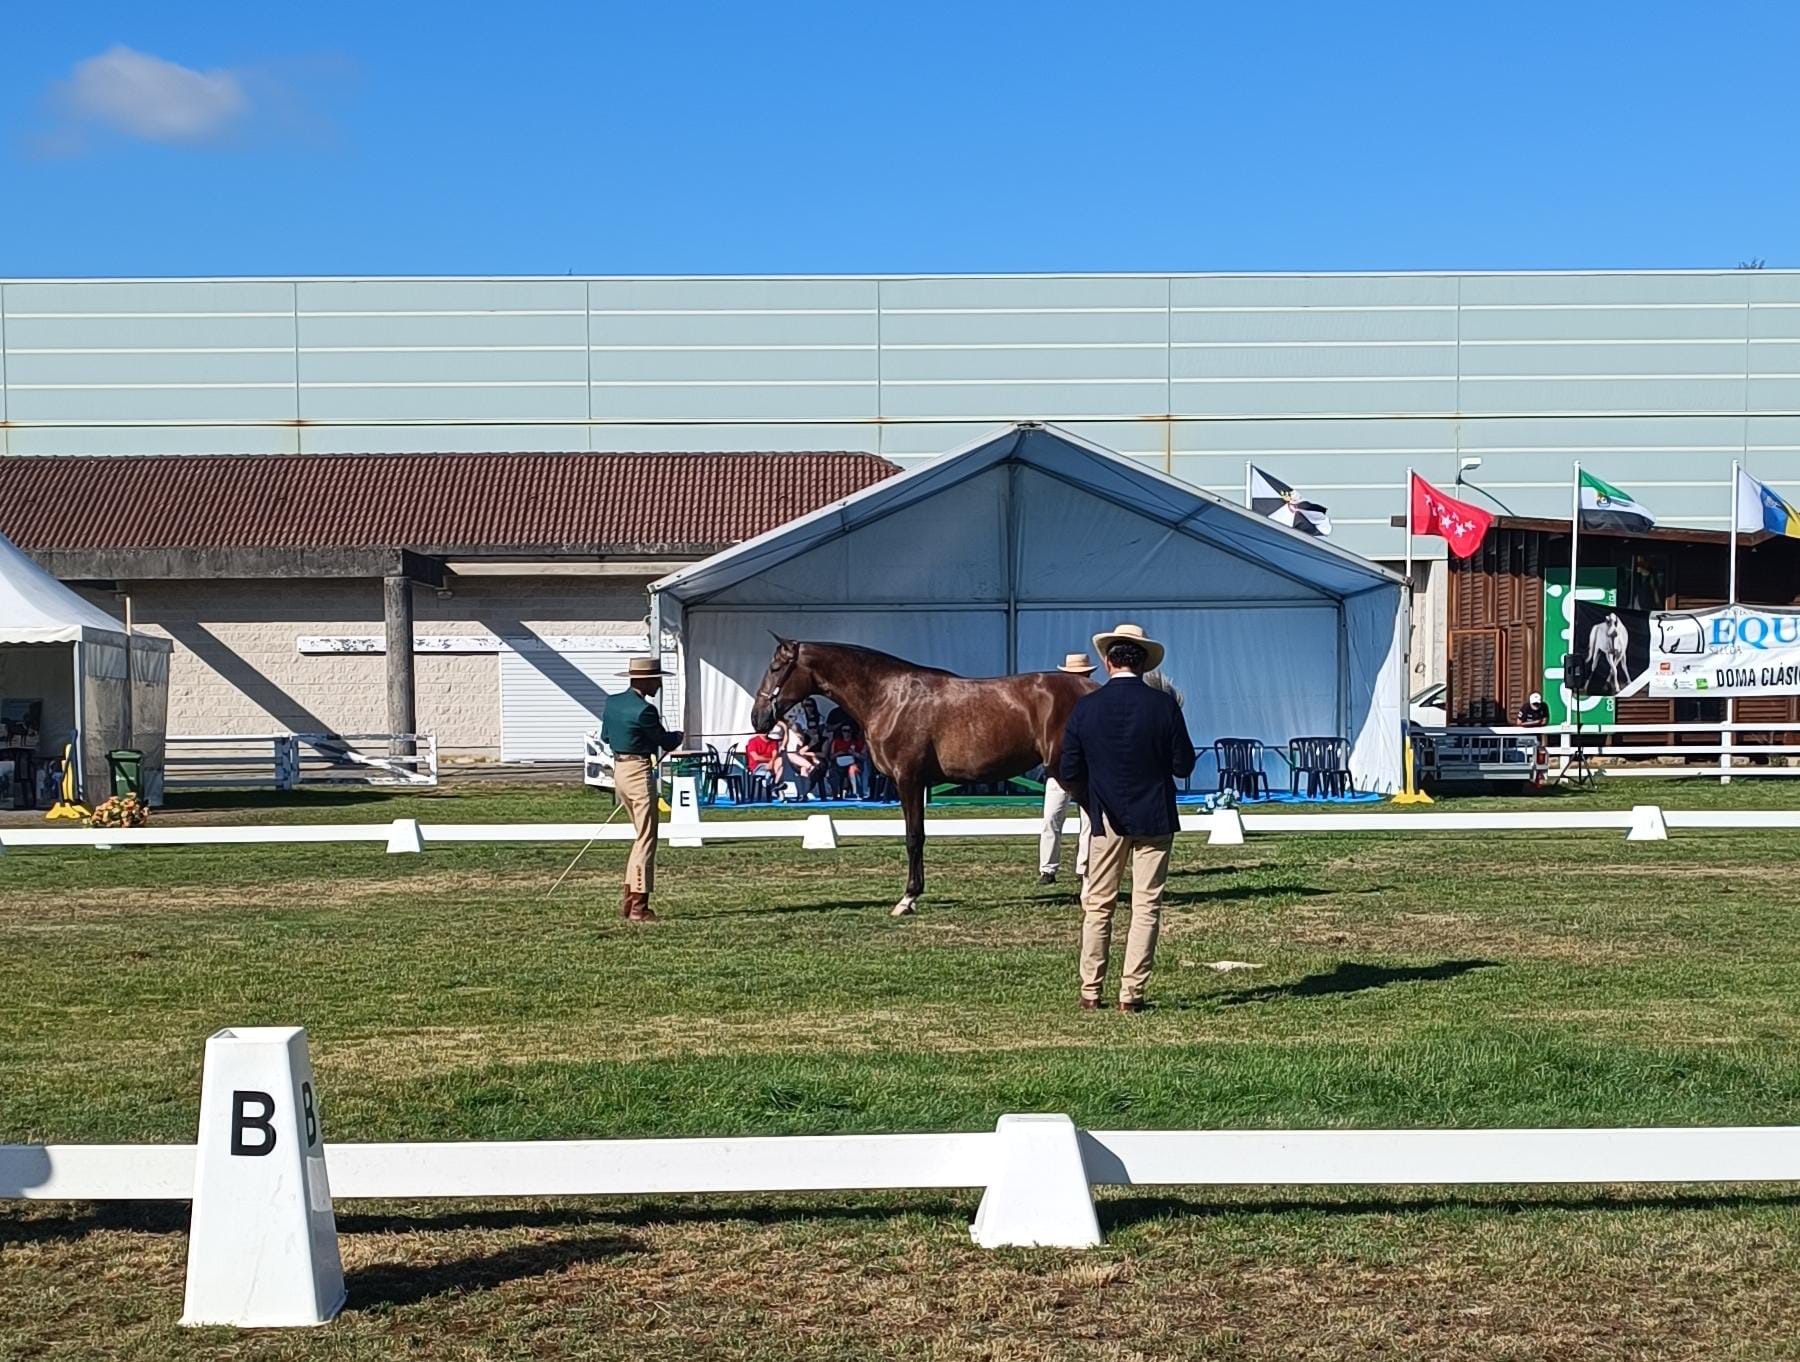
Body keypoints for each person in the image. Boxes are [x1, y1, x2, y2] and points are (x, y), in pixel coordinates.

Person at [1060, 623, 1196, 1012]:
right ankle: (1131, 993)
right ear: (1143, 664)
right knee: (1146, 906)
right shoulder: (1164, 705)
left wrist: (1092, 800)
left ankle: (1091, 989)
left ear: (1106, 662)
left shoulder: (1086, 707)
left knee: (1099, 905)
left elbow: (1068, 769)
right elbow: (1183, 765)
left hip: (1106, 818)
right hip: (1154, 815)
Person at [598, 656, 684, 922]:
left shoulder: (612, 703)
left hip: (619, 771)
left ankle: (628, 901)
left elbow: (606, 737)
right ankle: (639, 906)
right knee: (646, 839)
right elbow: (664, 740)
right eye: (656, 679)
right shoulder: (644, 711)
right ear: (645, 680)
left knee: (639, 837)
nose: (658, 684)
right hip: (638, 772)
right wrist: (679, 736)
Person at [1039, 651, 1097, 887]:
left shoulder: (1093, 699)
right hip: (1060, 769)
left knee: (1088, 821)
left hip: (1083, 769)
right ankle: (1048, 868)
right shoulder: (1058, 703)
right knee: (1052, 818)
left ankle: (1084, 866)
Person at [829, 719, 871, 800]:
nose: (846, 733)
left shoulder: (858, 742)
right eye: (844, 731)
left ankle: (857, 793)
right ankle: (836, 794)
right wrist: (838, 753)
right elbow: (831, 756)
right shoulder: (836, 742)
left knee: (853, 769)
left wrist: (854, 753)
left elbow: (864, 757)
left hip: (854, 762)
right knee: (833, 771)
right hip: (839, 763)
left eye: (848, 731)